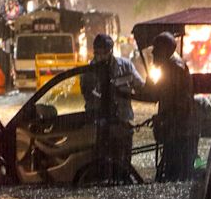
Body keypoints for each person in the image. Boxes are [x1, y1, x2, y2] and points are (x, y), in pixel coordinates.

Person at [80, 34, 144, 183]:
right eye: (98, 52)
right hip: (99, 126)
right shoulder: (88, 72)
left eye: (104, 52)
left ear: (111, 50)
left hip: (122, 122)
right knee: (101, 166)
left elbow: (140, 87)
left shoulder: (126, 66)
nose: (101, 56)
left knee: (123, 165)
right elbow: (88, 97)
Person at [140, 32, 197, 182]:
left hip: (179, 130)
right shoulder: (169, 67)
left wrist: (163, 118)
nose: (152, 53)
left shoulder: (174, 69)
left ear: (165, 51)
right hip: (174, 126)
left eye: (156, 50)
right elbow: (155, 94)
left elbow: (175, 102)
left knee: (174, 175)